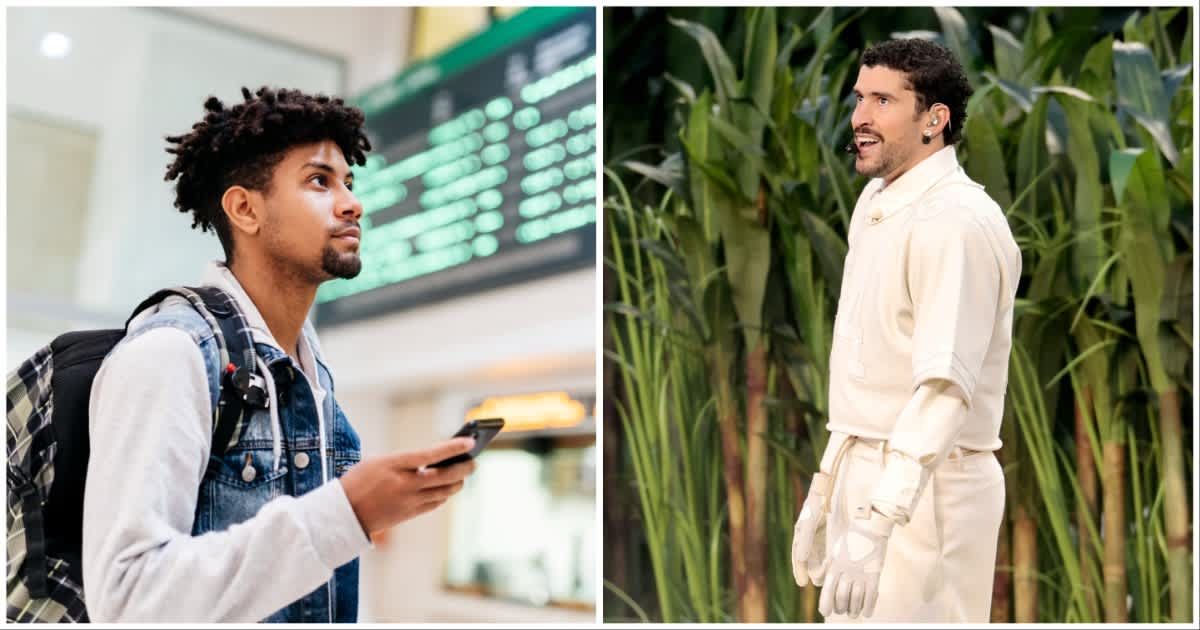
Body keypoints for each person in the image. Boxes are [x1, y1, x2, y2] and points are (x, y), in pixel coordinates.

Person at [82, 86, 478, 622]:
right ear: (245, 208)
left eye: (348, 182)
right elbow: (127, 601)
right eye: (319, 181)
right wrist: (348, 512)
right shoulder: (170, 355)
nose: (352, 203)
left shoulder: (311, 379)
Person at [791, 39, 1022, 623]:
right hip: (871, 480)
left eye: (883, 101)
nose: (860, 118)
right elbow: (871, 374)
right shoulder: (877, 201)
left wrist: (876, 520)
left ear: (934, 120)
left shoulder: (956, 221)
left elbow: (944, 390)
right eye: (859, 98)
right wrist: (827, 487)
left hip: (929, 489)